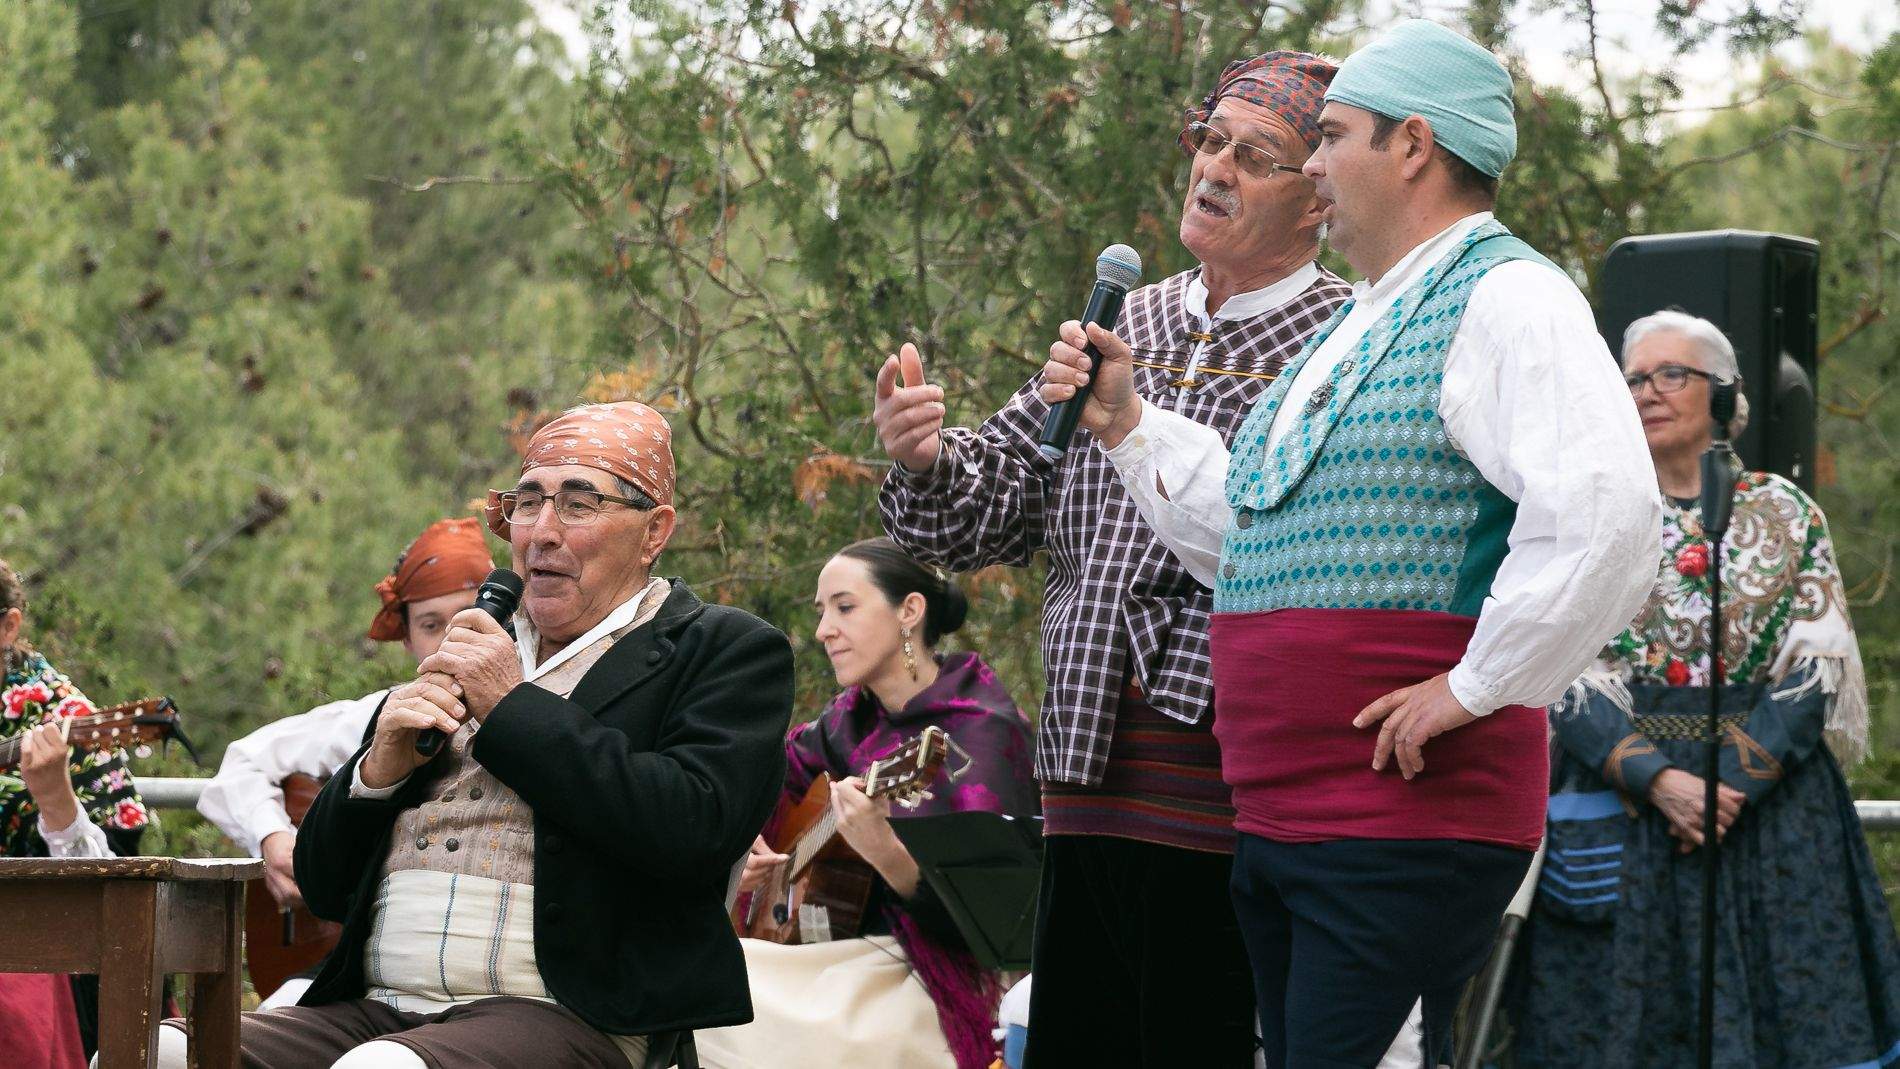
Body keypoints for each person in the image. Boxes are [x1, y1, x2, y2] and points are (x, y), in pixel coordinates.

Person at [1036, 19, 1661, 1064]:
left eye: (1331, 136)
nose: (1315, 166)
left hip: (1401, 818)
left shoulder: (1508, 297)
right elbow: (1253, 524)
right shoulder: (1359, 323)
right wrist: (1127, 420)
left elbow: (1607, 516)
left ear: (1411, 146)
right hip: (1294, 819)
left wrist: (1471, 686)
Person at [876, 51, 1349, 1067]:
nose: (1213, 168)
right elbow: (984, 515)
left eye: (1253, 155)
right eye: (1208, 140)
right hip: (1086, 770)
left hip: (1234, 785)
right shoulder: (1122, 318)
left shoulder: (1343, 343)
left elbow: (1297, 550)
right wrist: (923, 457)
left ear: (1317, 198)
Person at [156, 401, 795, 1069]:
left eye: (578, 504)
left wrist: (508, 705)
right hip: (377, 1004)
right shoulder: (475, 641)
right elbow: (321, 886)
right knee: (154, 1050)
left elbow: (693, 827)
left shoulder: (723, 648)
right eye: (527, 502)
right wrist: (378, 772)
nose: (541, 531)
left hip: (570, 1014)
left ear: (654, 530)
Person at [1509, 310, 1900, 1067]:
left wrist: (1725, 786)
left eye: (1671, 374)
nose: (1648, 390)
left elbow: (1816, 669)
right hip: (1624, 806)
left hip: (1772, 815)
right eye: (1634, 377)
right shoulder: (1584, 517)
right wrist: (1659, 781)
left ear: (1725, 397)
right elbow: (1558, 666)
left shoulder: (1787, 513)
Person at [699, 537, 1037, 1069]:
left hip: (941, 979)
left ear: (910, 611)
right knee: (690, 979)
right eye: (821, 612)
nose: (823, 629)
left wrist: (887, 854)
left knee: (718, 1009)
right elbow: (756, 788)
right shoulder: (845, 722)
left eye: (845, 606)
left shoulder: (982, 732)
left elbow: (1002, 928)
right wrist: (743, 850)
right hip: (845, 956)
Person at [195, 516, 493, 1008]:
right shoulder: (374, 715)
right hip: (351, 963)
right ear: (408, 642)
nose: (448, 641)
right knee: (253, 1028)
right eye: (430, 625)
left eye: (464, 619)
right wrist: (276, 841)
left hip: (477, 981)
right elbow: (244, 761)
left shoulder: (536, 712)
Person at [0, 558, 151, 1068]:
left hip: (33, 953)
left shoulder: (64, 718)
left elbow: (114, 882)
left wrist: (57, 802)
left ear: (8, 625)